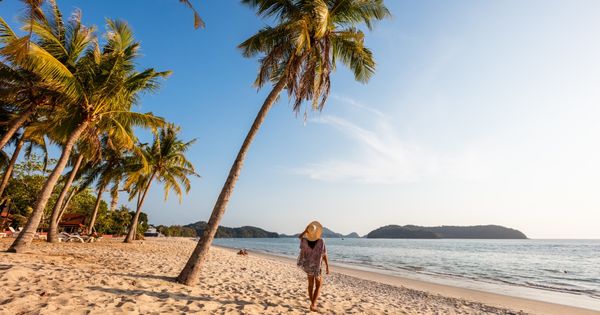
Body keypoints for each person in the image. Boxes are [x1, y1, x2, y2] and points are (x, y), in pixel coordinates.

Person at [297, 221, 330, 312]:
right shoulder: (321, 241)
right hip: (316, 267)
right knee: (319, 285)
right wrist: (327, 266)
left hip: (307, 266)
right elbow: (324, 254)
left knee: (310, 285)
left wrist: (305, 231)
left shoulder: (304, 240)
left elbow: (300, 237)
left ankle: (312, 303)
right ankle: (313, 304)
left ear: (309, 232)